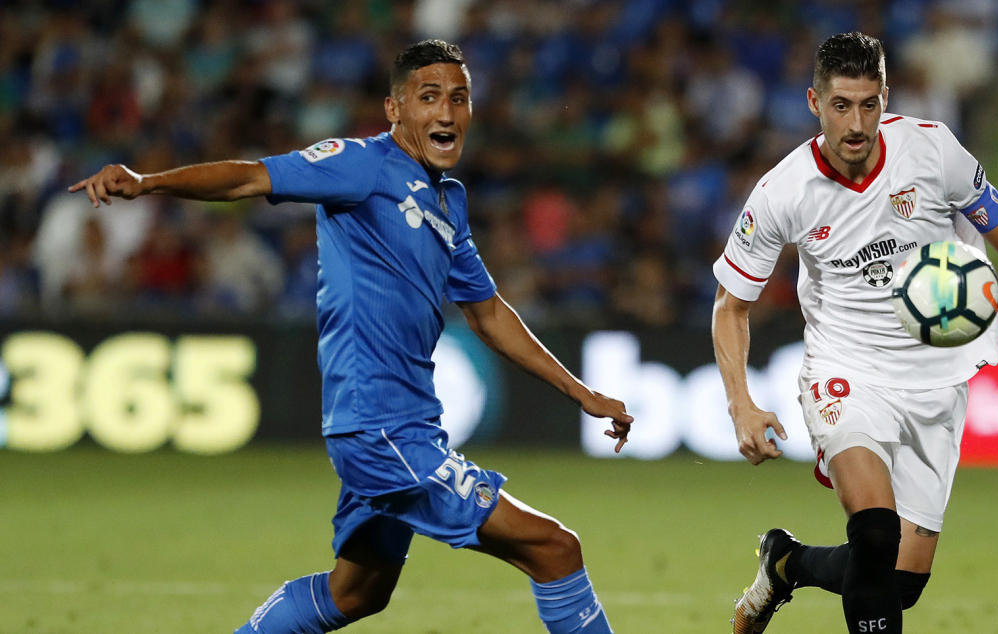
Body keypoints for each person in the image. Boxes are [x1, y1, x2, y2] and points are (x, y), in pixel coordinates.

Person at [71, 40, 632, 634]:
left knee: (355, 593)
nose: (447, 112)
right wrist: (147, 182)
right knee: (554, 548)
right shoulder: (361, 164)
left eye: (459, 98)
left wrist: (581, 393)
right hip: (381, 428)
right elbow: (250, 179)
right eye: (429, 96)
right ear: (394, 109)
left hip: (405, 425)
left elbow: (488, 312)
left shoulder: (450, 203)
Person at [710, 33, 998, 634]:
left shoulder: (932, 152)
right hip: (847, 373)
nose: (856, 122)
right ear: (814, 102)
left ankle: (784, 565)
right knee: (873, 532)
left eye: (869, 104)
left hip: (938, 381)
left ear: (885, 97)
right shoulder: (781, 193)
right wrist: (740, 402)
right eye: (841, 105)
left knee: (901, 583)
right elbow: (729, 307)